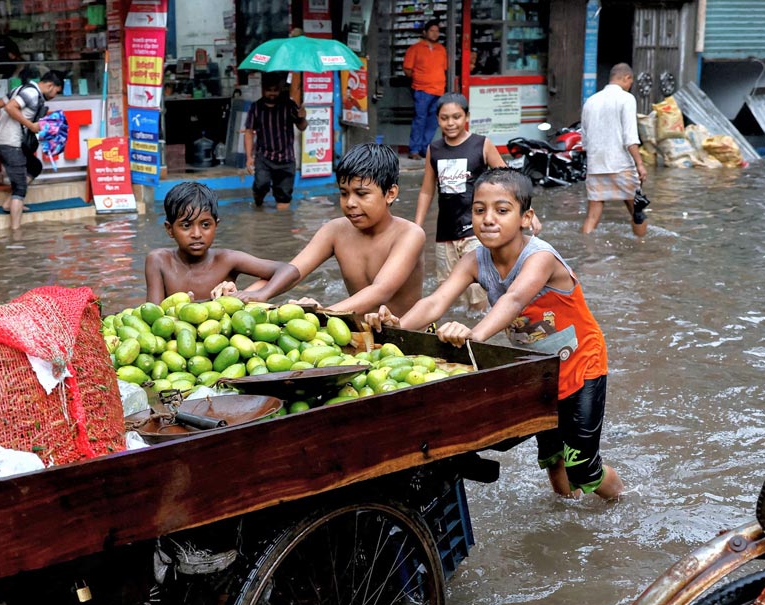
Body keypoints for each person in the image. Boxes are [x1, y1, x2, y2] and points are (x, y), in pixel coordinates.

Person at [367, 168, 624, 501]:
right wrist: (397, 328)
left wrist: (472, 334)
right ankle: (568, 523)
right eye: (479, 210)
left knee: (583, 467)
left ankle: (621, 502)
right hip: (540, 371)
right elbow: (436, 300)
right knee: (553, 459)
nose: (488, 219)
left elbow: (514, 300)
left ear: (525, 217)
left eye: (501, 211)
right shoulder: (475, 260)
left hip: (582, 367)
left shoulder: (540, 258)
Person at [213, 143, 425, 317]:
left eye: (361, 194)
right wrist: (244, 296)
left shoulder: (410, 235)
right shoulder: (335, 230)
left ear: (390, 193)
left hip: (406, 335)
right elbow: (293, 272)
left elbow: (381, 291)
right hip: (359, 332)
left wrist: (320, 314)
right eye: (344, 193)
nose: (350, 203)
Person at [414, 92, 542, 313]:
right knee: (448, 293)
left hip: (477, 230)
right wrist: (415, 228)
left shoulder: (481, 145)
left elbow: (509, 180)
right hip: (445, 234)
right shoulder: (433, 150)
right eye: (444, 118)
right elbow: (426, 191)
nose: (451, 123)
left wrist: (528, 211)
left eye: (456, 116)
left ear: (467, 117)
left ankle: (479, 334)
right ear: (437, 119)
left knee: (478, 295)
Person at [145, 181, 299, 304]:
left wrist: (259, 295)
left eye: (205, 225)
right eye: (186, 225)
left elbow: (289, 270)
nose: (197, 234)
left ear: (216, 226)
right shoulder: (159, 261)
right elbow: (154, 315)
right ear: (170, 229)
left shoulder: (228, 260)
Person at [581, 62, 648, 237]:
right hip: (621, 164)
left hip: (596, 164)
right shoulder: (626, 99)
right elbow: (630, 138)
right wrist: (640, 164)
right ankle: (643, 249)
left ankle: (586, 248)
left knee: (592, 215)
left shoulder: (591, 101)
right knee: (637, 209)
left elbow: (585, 140)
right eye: (630, 82)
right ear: (627, 78)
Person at [0, 71, 62, 230]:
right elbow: (10, 107)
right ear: (50, 85)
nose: (55, 95)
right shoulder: (31, 93)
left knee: (34, 166)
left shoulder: (20, 89)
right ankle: (15, 233)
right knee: (20, 187)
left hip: (1, 139)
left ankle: (10, 204)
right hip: (10, 143)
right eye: (56, 91)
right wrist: (30, 125)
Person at [244, 71, 308, 208]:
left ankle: (282, 227)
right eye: (269, 90)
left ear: (280, 89)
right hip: (264, 157)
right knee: (261, 186)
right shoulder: (256, 108)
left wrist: (302, 117)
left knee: (284, 198)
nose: (272, 94)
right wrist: (249, 157)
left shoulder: (289, 106)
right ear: (262, 89)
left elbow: (302, 127)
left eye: (275, 90)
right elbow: (249, 132)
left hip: (286, 159)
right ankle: (258, 202)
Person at [403, 19, 447, 160]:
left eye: (437, 31)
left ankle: (424, 148)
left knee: (433, 122)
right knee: (420, 120)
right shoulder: (415, 49)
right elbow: (407, 70)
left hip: (439, 90)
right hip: (422, 90)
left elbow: (443, 69)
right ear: (424, 32)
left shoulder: (441, 49)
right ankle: (414, 150)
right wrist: (419, 78)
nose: (435, 34)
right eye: (432, 31)